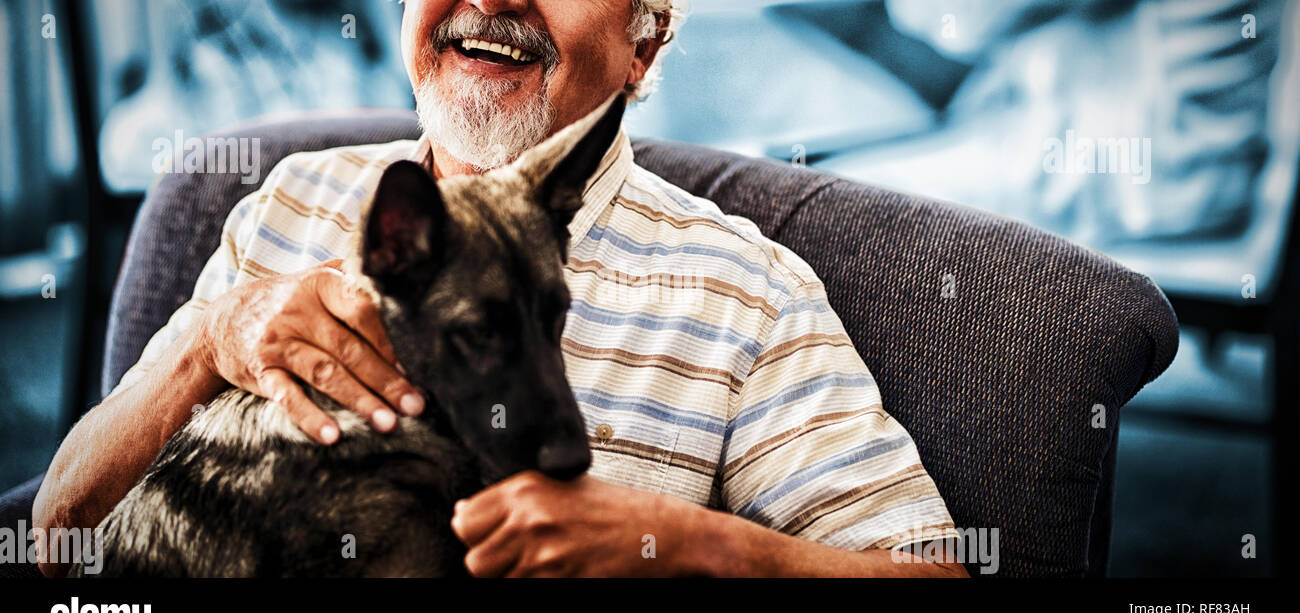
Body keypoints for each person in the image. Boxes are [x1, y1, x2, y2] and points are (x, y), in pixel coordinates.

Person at [33, 0, 964, 577]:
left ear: (646, 42)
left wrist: (686, 547)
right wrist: (209, 335)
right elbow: (59, 532)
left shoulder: (743, 291)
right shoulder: (292, 196)